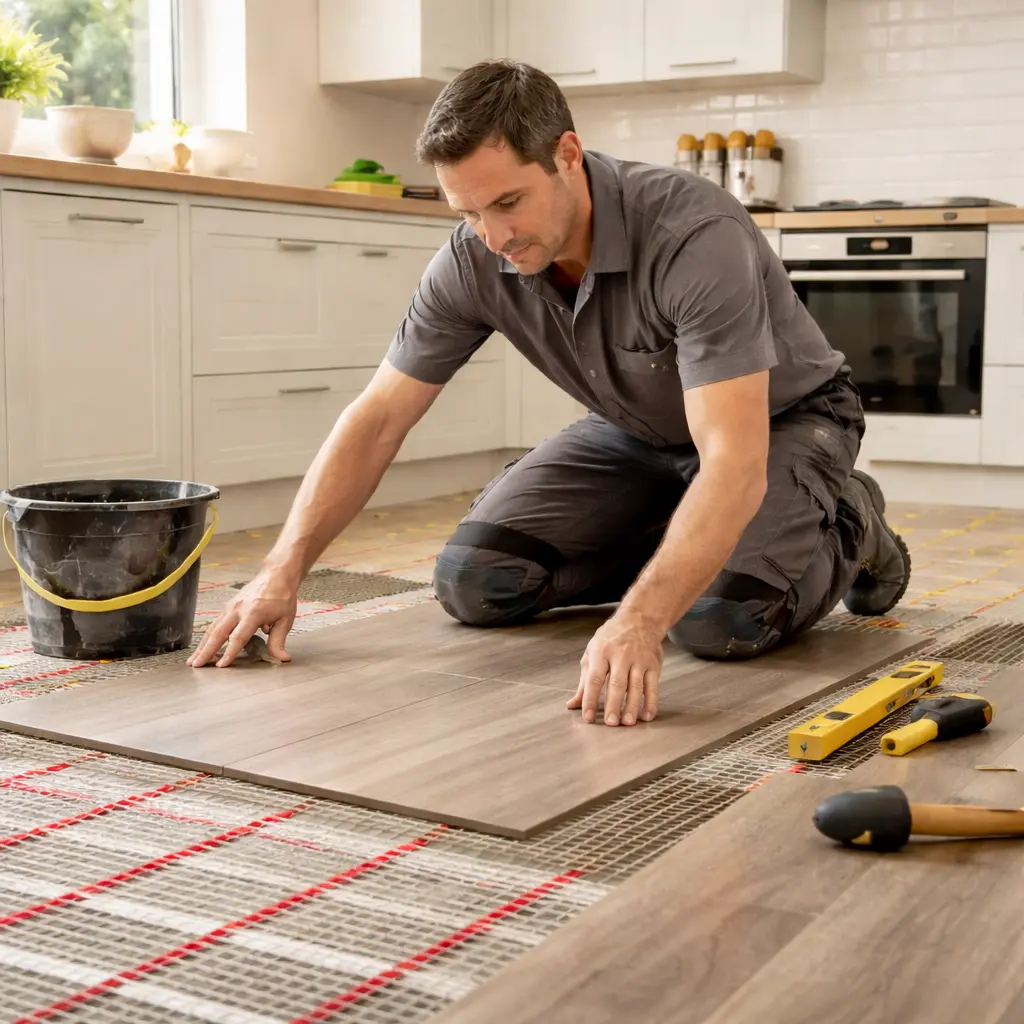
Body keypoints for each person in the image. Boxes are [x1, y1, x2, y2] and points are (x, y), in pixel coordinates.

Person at [188, 59, 911, 729]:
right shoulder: (473, 256)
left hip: (781, 425)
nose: (493, 236)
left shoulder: (694, 233)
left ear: (568, 154)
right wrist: (280, 572)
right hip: (636, 434)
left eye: (508, 202)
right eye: (468, 212)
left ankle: (852, 517)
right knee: (477, 583)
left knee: (719, 622)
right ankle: (692, 547)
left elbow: (732, 460)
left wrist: (640, 620)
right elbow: (379, 418)